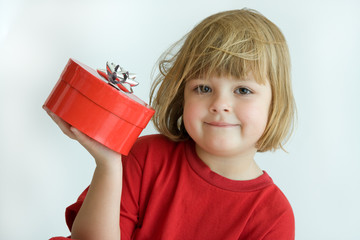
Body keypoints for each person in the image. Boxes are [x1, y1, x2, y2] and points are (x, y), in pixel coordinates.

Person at [46, 8, 296, 240]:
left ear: (275, 104)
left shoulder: (273, 215)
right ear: (182, 96)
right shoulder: (145, 157)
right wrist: (109, 164)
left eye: (242, 90)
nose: (220, 104)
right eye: (203, 88)